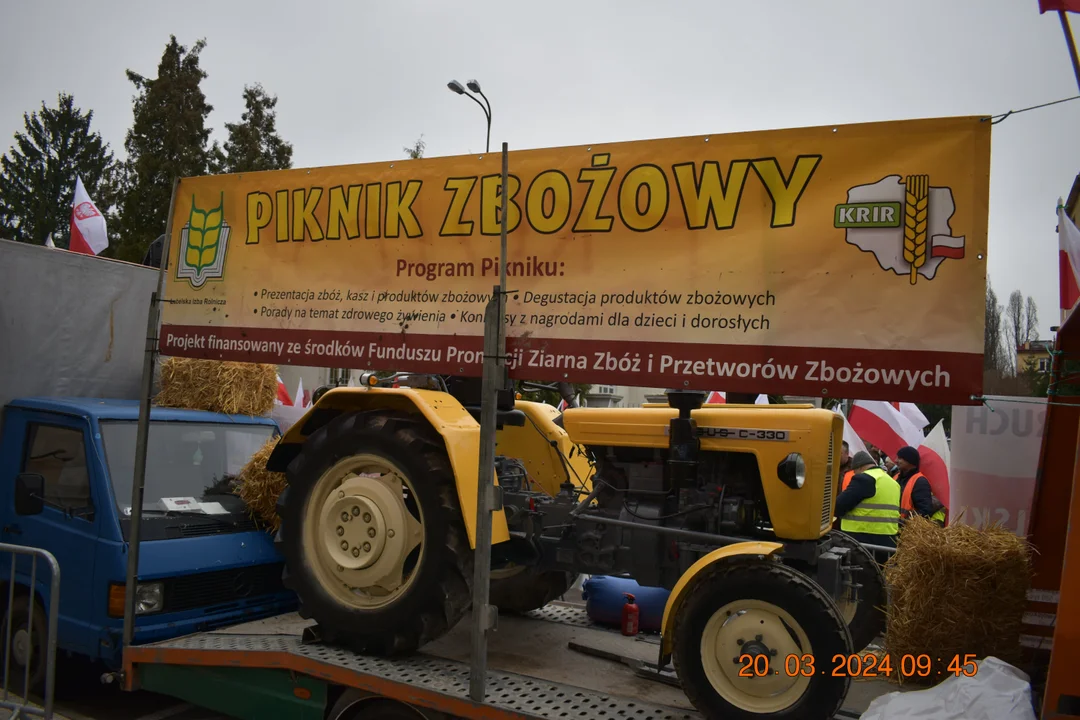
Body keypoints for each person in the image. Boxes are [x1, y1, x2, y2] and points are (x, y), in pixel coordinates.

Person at [835, 451, 901, 548]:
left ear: (860, 467)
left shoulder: (865, 479)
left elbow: (839, 505)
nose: (854, 474)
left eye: (854, 471)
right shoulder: (892, 482)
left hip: (862, 540)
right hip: (888, 540)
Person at [892, 446, 946, 526]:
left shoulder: (920, 481)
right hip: (892, 526)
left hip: (905, 530)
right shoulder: (896, 477)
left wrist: (905, 522)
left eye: (900, 458)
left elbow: (925, 511)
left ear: (910, 461)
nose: (896, 461)